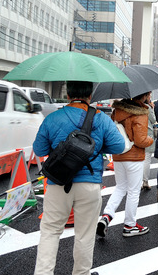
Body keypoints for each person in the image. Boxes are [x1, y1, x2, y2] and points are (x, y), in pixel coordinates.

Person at [33, 81, 124, 275]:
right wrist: (95, 148)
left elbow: (39, 150)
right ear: (90, 95)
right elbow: (118, 146)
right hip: (89, 183)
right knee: (85, 234)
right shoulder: (101, 118)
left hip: (58, 182)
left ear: (68, 95)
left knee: (50, 231)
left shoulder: (53, 118)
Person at [97, 91, 154, 238]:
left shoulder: (117, 111)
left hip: (118, 155)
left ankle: (106, 217)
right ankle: (130, 225)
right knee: (133, 191)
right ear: (144, 95)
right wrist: (151, 140)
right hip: (134, 156)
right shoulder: (141, 112)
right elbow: (141, 140)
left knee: (120, 187)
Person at [142, 93, 157, 191]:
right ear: (145, 96)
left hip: (137, 135)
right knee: (146, 159)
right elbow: (153, 120)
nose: (150, 97)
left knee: (138, 160)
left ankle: (138, 181)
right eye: (149, 95)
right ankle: (145, 181)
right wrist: (152, 109)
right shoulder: (147, 107)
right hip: (147, 135)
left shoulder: (134, 106)